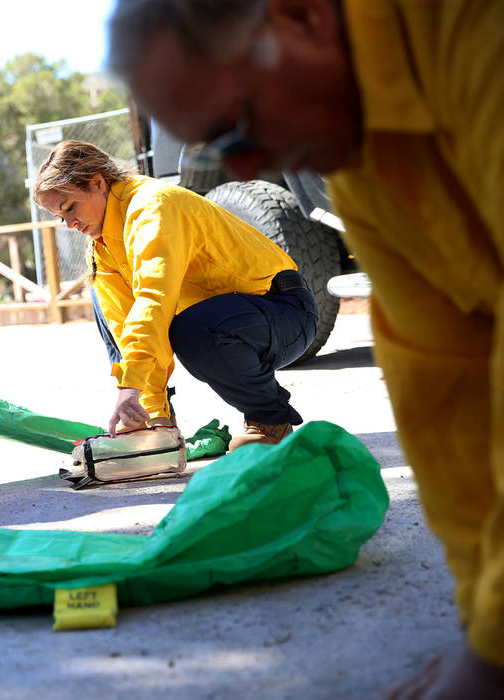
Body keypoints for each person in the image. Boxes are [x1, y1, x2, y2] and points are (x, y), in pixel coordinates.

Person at [106, 0, 504, 695]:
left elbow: (154, 302)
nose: (249, 166)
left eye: (237, 125)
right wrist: (485, 632)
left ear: (303, 16)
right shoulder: (356, 153)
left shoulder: (476, 38)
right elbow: (443, 383)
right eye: (218, 148)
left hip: (277, 311)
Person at [34, 140, 316, 445]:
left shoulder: (153, 207)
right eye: (61, 218)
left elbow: (153, 299)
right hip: (233, 317)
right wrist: (152, 415)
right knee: (104, 301)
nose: (71, 224)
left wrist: (130, 388)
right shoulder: (102, 249)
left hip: (284, 310)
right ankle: (157, 421)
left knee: (194, 331)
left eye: (70, 207)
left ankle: (270, 421)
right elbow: (125, 325)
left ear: (97, 183)